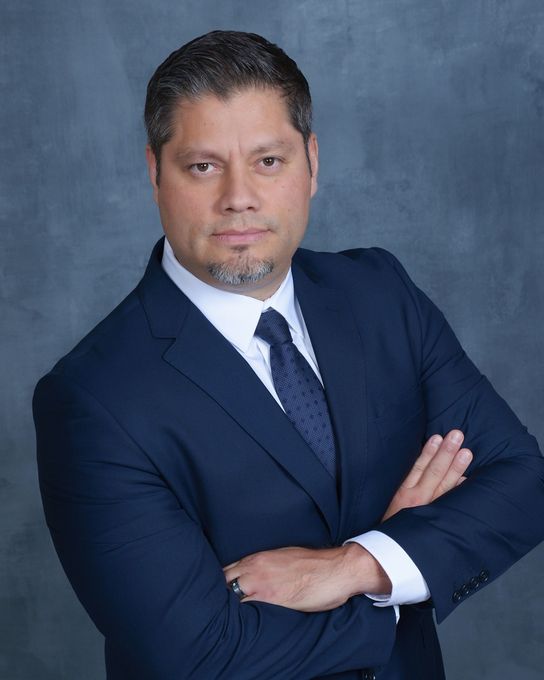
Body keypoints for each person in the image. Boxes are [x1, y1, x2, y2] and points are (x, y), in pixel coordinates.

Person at [33, 30, 544, 679]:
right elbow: (204, 655)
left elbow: (523, 482)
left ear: (312, 162)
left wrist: (359, 564)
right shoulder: (93, 398)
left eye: (268, 161)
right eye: (203, 166)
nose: (238, 196)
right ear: (154, 172)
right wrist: (403, 573)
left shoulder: (380, 293)